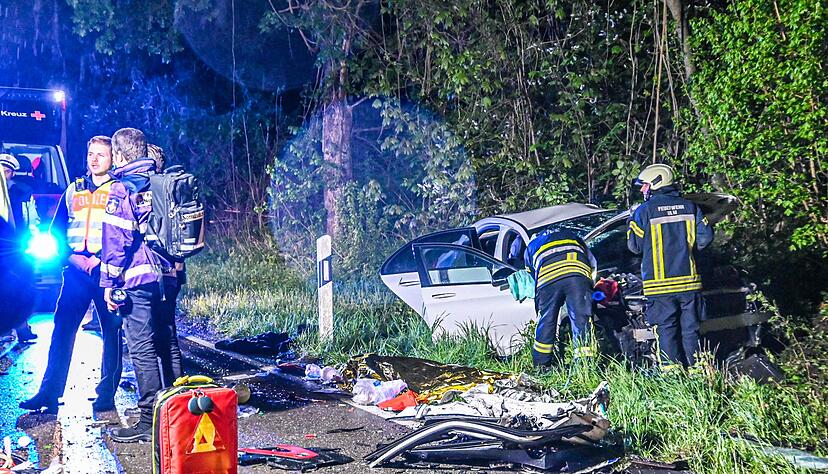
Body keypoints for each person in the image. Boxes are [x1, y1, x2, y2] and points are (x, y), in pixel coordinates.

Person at [19, 136, 123, 413]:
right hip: (76, 271)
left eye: (101, 154)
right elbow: (57, 231)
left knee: (111, 332)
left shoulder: (119, 190)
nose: (94, 159)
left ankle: (106, 396)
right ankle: (48, 393)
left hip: (107, 273)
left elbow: (124, 234)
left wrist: (101, 262)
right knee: (62, 330)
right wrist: (73, 258)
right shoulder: (73, 190)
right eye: (91, 154)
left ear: (113, 159)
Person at [101, 128, 182, 442]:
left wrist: (109, 283)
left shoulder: (122, 189)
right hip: (168, 276)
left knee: (142, 348)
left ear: (120, 155)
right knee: (168, 342)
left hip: (138, 277)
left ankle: (149, 420)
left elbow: (116, 242)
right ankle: (179, 411)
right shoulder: (162, 180)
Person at [626, 163, 714, 371]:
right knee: (691, 330)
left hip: (660, 286)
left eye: (645, 185)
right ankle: (698, 375)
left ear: (657, 183)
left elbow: (634, 247)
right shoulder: (690, 207)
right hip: (689, 283)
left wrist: (632, 221)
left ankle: (672, 379)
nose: (642, 190)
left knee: (666, 330)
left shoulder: (644, 211)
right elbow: (704, 240)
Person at [524, 228, 597, 367]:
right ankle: (585, 366)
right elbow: (592, 263)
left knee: (547, 321)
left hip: (548, 279)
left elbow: (532, 274)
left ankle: (541, 365)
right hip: (577, 277)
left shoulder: (532, 245)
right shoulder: (573, 236)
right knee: (581, 320)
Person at [1, 153, 40, 343]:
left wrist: (33, 236)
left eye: (6, 171)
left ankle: (22, 327)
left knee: (18, 287)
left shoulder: (22, 192)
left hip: (17, 247)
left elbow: (31, 218)